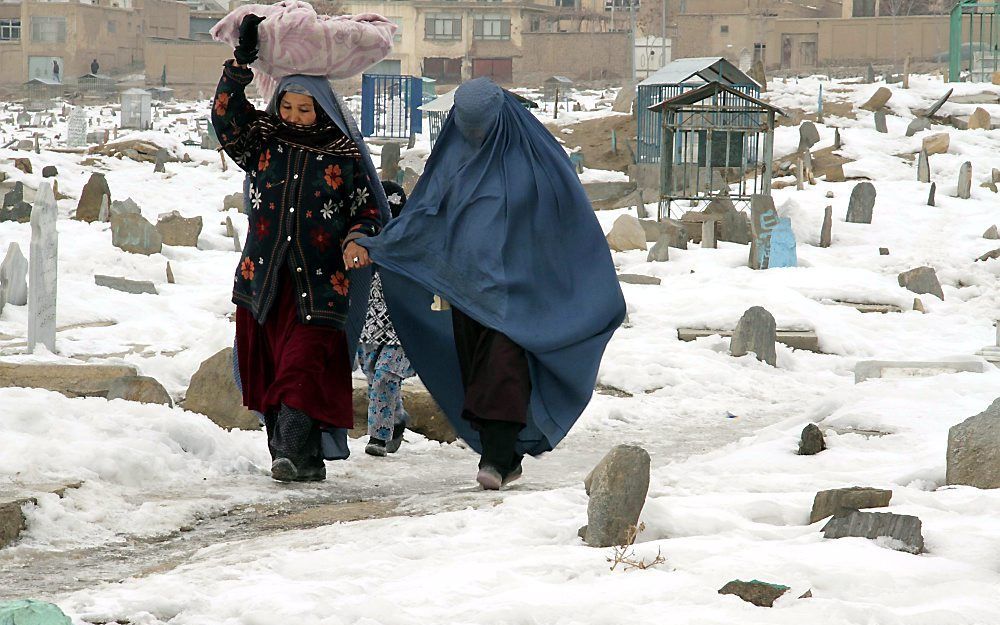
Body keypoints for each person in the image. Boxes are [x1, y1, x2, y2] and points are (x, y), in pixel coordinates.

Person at [359, 78, 625, 490]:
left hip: (523, 294)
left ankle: (496, 460)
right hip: (468, 291)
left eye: (482, 129)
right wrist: (385, 245)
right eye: (468, 129)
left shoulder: (535, 157)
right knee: (478, 373)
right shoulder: (455, 158)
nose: (476, 138)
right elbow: (427, 212)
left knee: (504, 367)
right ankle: (507, 454)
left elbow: (567, 216)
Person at [211, 14, 389, 482]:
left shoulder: (341, 153)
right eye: (287, 106)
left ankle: (288, 450)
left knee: (301, 368)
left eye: (304, 109)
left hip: (320, 285)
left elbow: (366, 209)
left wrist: (357, 239)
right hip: (264, 280)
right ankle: (301, 459)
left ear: (324, 110)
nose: (293, 116)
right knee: (270, 373)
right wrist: (239, 66)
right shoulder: (262, 142)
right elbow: (226, 119)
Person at [357, 180, 413, 457]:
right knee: (374, 377)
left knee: (385, 376)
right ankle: (397, 417)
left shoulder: (412, 244)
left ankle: (378, 437)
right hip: (367, 324)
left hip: (401, 326)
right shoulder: (362, 241)